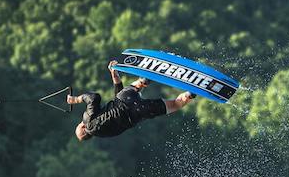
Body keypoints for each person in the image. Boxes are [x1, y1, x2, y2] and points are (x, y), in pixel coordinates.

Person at [67, 60, 196, 141]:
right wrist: (76, 99)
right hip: (125, 98)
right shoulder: (88, 121)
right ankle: (142, 82)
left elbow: (118, 111)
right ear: (83, 126)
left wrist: (114, 76)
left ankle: (189, 94)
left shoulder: (106, 134)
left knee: (174, 105)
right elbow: (94, 97)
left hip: (138, 112)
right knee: (131, 91)